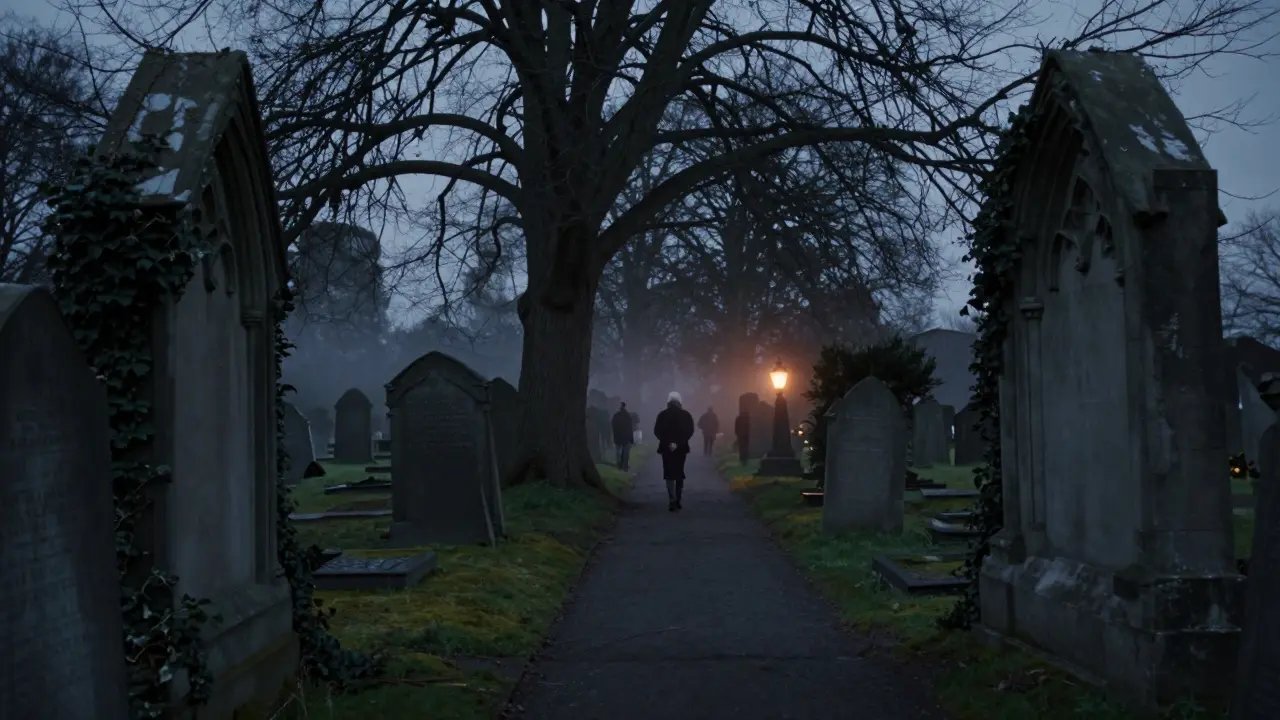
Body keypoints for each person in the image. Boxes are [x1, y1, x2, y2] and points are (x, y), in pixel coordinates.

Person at [654, 391, 696, 512]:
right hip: (681, 448)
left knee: (668, 473)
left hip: (666, 448)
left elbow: (657, 431)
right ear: (679, 402)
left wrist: (668, 442)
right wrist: (678, 442)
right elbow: (690, 430)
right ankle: (678, 499)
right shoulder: (686, 415)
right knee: (679, 472)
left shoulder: (662, 415)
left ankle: (671, 499)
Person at [611, 402, 635, 471]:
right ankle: (625, 466)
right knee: (625, 452)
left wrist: (614, 434)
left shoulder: (616, 416)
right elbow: (630, 428)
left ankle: (619, 465)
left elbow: (613, 425)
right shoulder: (627, 416)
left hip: (618, 436)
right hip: (626, 436)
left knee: (618, 451)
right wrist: (631, 439)